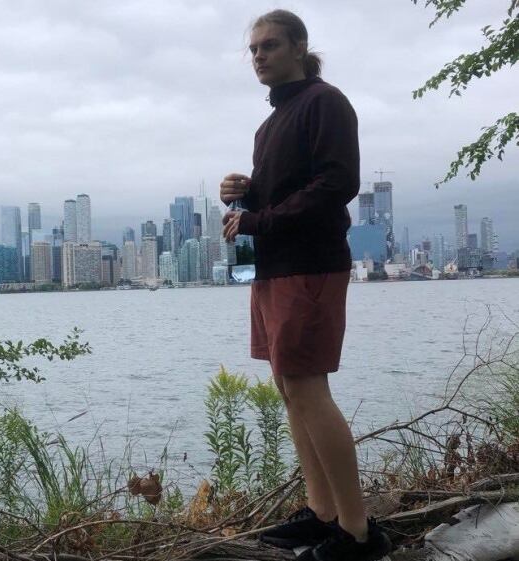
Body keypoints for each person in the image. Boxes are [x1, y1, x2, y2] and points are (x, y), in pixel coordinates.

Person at [220, 10, 392, 561]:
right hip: (272, 268)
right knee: (291, 389)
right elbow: (281, 194)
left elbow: (339, 181)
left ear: (299, 47)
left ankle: (358, 532)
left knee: (310, 389)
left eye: (270, 45)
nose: (259, 56)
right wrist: (242, 192)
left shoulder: (325, 102)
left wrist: (261, 220)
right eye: (253, 49)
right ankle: (322, 514)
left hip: (310, 266)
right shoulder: (270, 123)